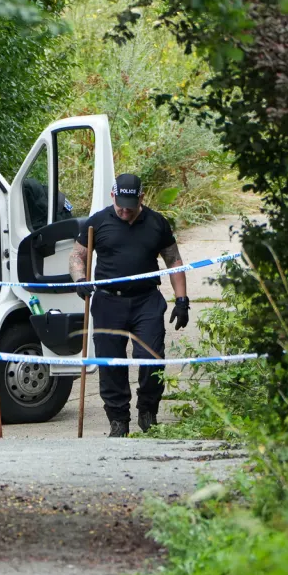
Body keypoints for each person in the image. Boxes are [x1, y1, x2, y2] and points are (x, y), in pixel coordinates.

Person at [68, 173, 190, 438]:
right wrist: (80, 279)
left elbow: (174, 260)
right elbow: (78, 254)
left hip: (146, 300)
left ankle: (148, 410)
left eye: (130, 205)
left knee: (151, 358)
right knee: (111, 363)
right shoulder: (98, 222)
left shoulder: (157, 223)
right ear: (113, 196)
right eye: (120, 204)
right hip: (108, 301)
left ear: (141, 198)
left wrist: (182, 299)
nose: (124, 210)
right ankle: (118, 419)